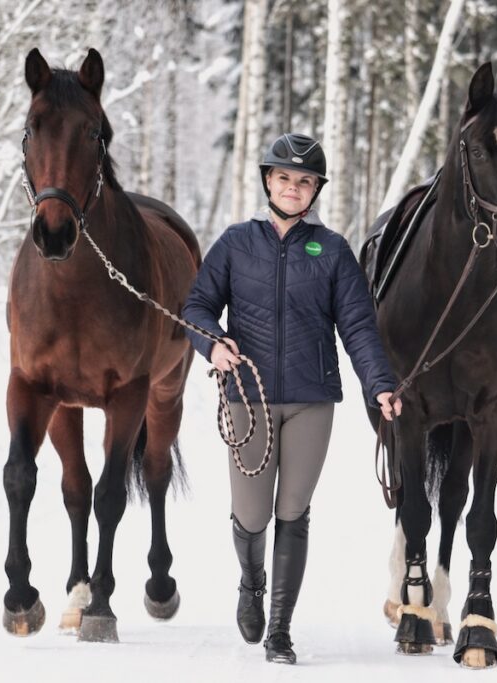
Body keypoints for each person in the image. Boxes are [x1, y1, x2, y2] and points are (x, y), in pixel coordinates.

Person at [182, 133, 402, 664]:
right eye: (283, 178)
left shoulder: (331, 251)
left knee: (293, 511)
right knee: (251, 514)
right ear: (267, 181)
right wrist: (212, 345)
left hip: (311, 399)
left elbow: (358, 327)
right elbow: (197, 306)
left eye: (304, 181)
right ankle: (250, 583)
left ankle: (280, 629)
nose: (293, 188)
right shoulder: (236, 243)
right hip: (246, 398)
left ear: (315, 190)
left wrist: (380, 384)